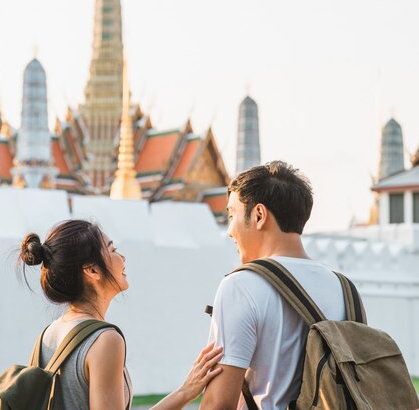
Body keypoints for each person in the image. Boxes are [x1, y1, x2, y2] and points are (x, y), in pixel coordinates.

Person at [19, 219, 224, 410]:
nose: (122, 257)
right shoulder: (104, 340)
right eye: (113, 249)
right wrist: (184, 393)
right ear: (92, 270)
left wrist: (185, 391)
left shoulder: (46, 336)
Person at [199, 161, 347, 410]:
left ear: (259, 215)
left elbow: (218, 404)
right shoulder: (344, 289)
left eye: (232, 214)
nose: (229, 230)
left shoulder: (241, 285)